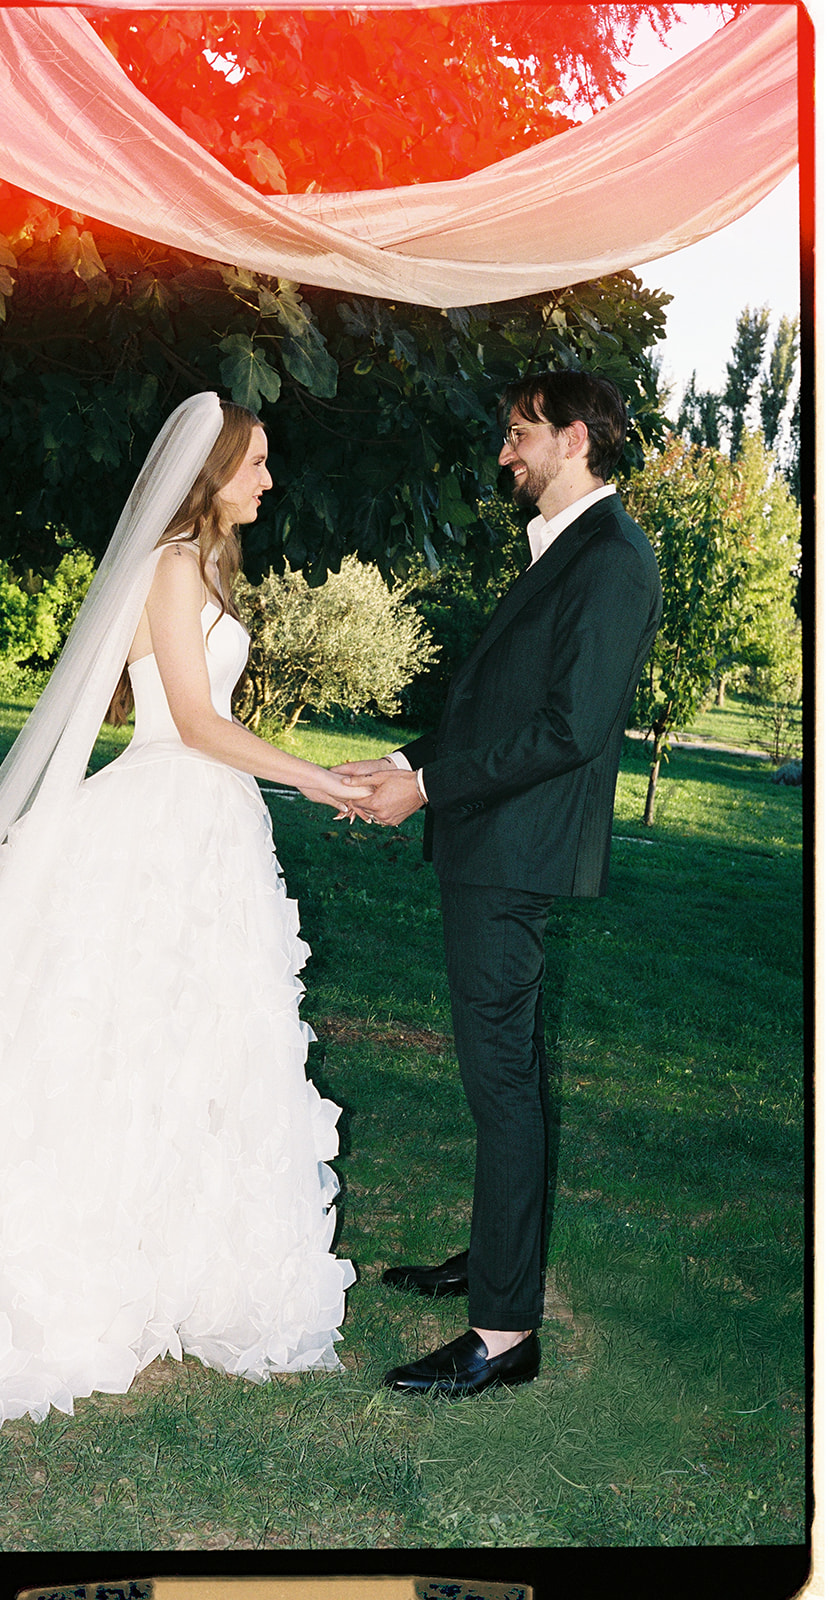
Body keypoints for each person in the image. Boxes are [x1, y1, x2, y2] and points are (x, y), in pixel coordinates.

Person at [0, 393, 371, 1437]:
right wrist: (314, 779)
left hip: (203, 830)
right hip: (166, 816)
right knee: (105, 1038)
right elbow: (190, 721)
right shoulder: (175, 562)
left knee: (178, 1048)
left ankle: (166, 1252)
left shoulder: (202, 564)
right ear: (213, 469)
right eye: (258, 462)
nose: (270, 480)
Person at [335, 371, 663, 1398]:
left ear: (573, 438)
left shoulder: (612, 559)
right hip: (496, 845)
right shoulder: (572, 549)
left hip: (515, 856)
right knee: (503, 1079)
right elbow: (502, 708)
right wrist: (402, 760)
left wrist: (426, 786)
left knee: (505, 1086)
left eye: (520, 435)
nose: (506, 454)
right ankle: (498, 1260)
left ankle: (504, 1334)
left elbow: (569, 729)